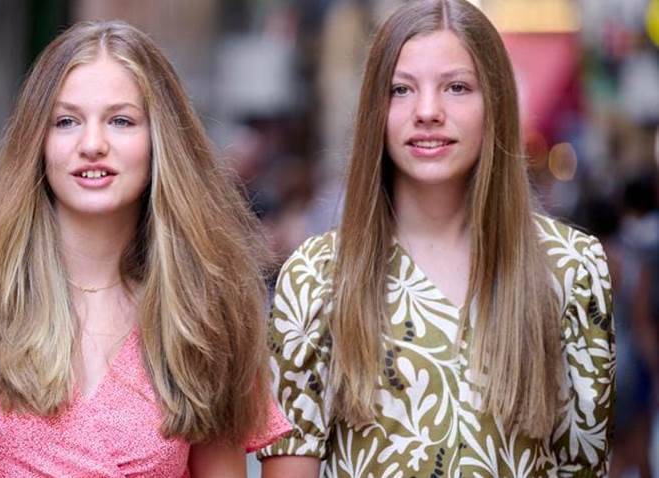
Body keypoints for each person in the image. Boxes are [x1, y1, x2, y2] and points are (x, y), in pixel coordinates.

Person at [0, 21, 289, 477]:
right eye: (67, 121)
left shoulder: (202, 313)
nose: (93, 145)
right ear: (39, 142)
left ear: (160, 142)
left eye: (121, 121)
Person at [258, 1, 614, 476]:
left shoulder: (572, 268)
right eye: (401, 90)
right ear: (374, 112)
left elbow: (582, 464)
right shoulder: (317, 276)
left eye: (457, 87)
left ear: (496, 103)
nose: (428, 111)